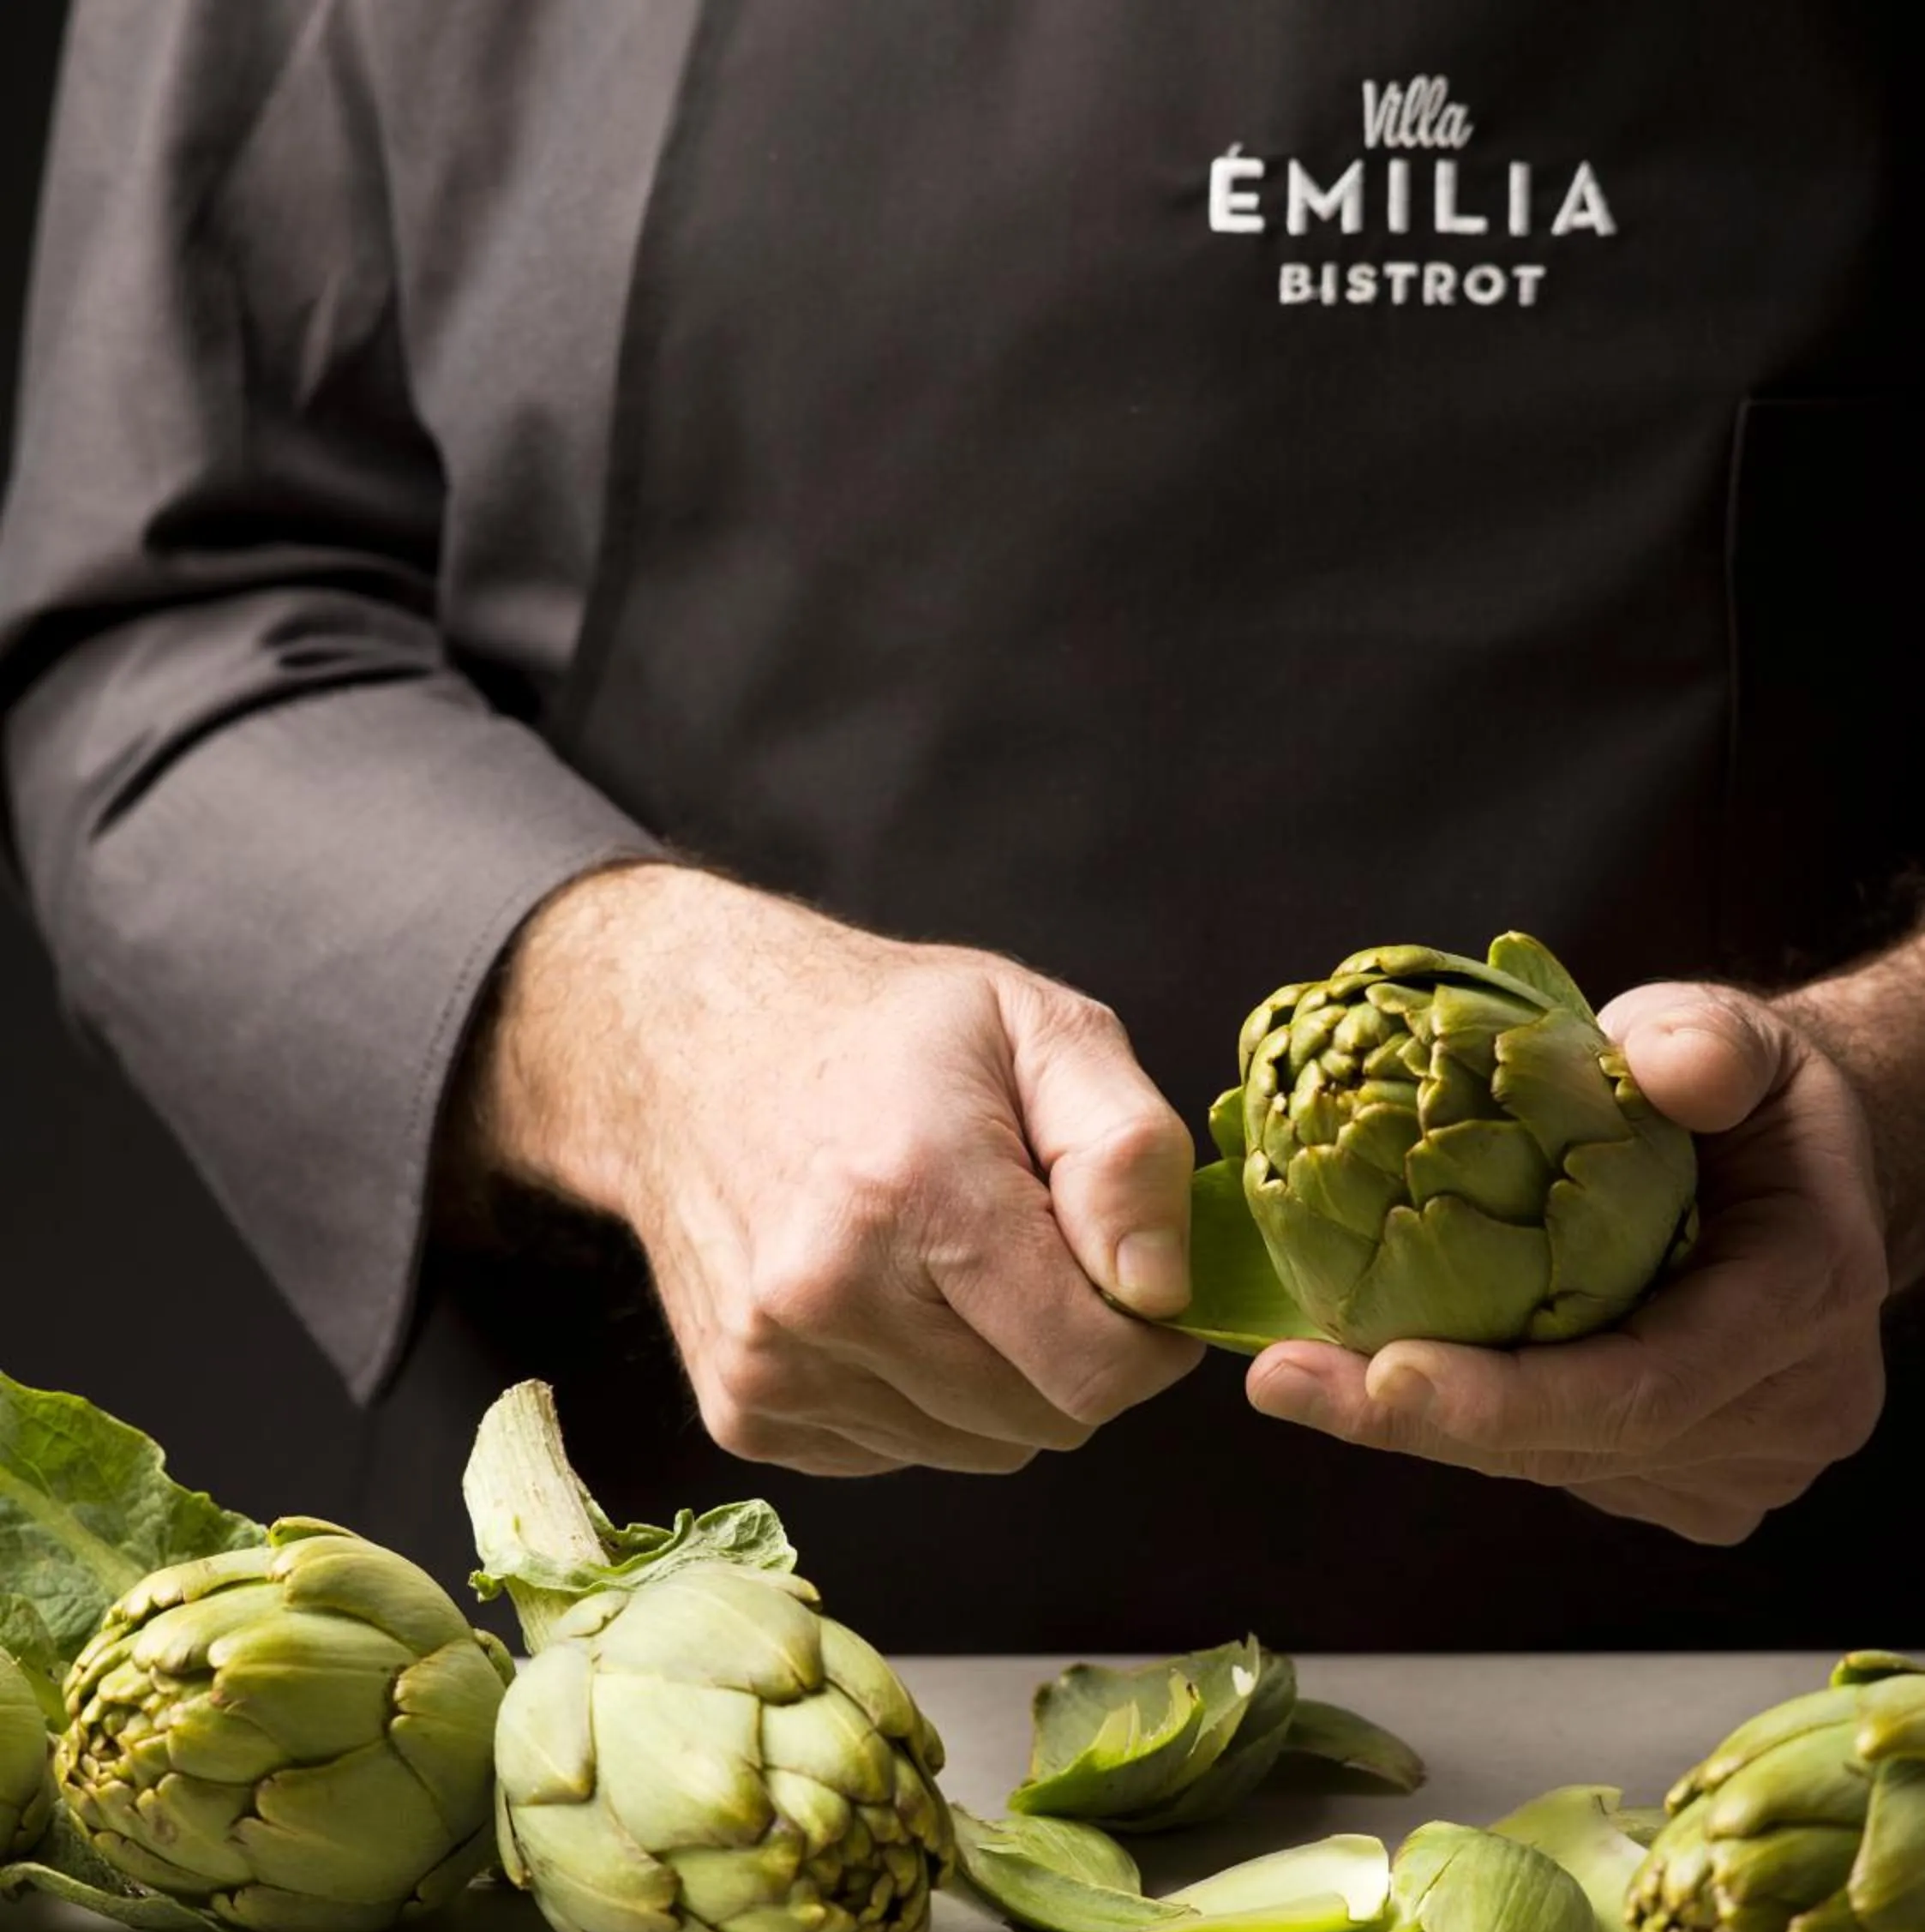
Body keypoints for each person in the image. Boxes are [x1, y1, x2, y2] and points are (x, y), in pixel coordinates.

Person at [0, 0, 1917, 1650]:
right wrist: (637, 1022)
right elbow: (170, 629)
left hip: (1813, 1694)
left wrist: (1892, 1098)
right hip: (699, 1712)